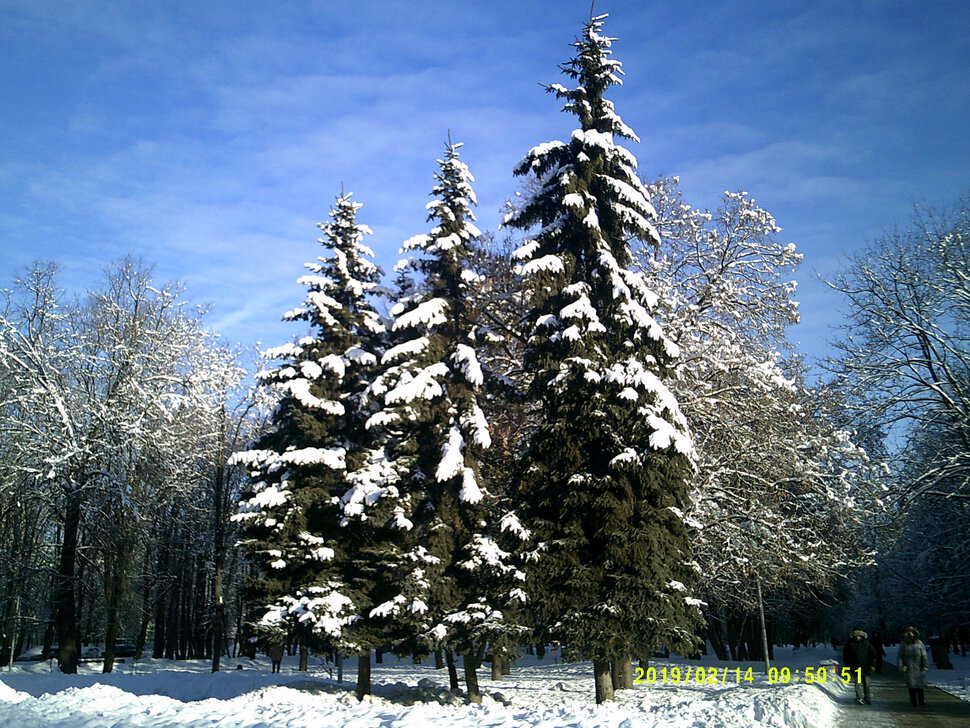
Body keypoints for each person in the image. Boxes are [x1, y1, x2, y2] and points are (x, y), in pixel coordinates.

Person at [843, 629, 877, 705]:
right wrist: (847, 665)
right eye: (856, 636)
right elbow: (846, 655)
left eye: (859, 636)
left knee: (867, 684)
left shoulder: (866, 643)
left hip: (866, 667)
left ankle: (868, 697)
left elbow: (872, 654)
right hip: (855, 667)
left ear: (862, 636)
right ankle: (859, 698)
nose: (857, 637)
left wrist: (872, 665)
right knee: (857, 683)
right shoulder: (850, 643)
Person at [898, 627, 929, 706]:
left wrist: (925, 665)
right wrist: (901, 665)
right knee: (911, 686)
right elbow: (900, 655)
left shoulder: (919, 643)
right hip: (909, 667)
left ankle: (921, 701)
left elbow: (924, 655)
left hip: (919, 667)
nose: (911, 634)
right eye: (909, 632)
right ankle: (913, 701)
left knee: (920, 686)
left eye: (912, 632)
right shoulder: (904, 643)